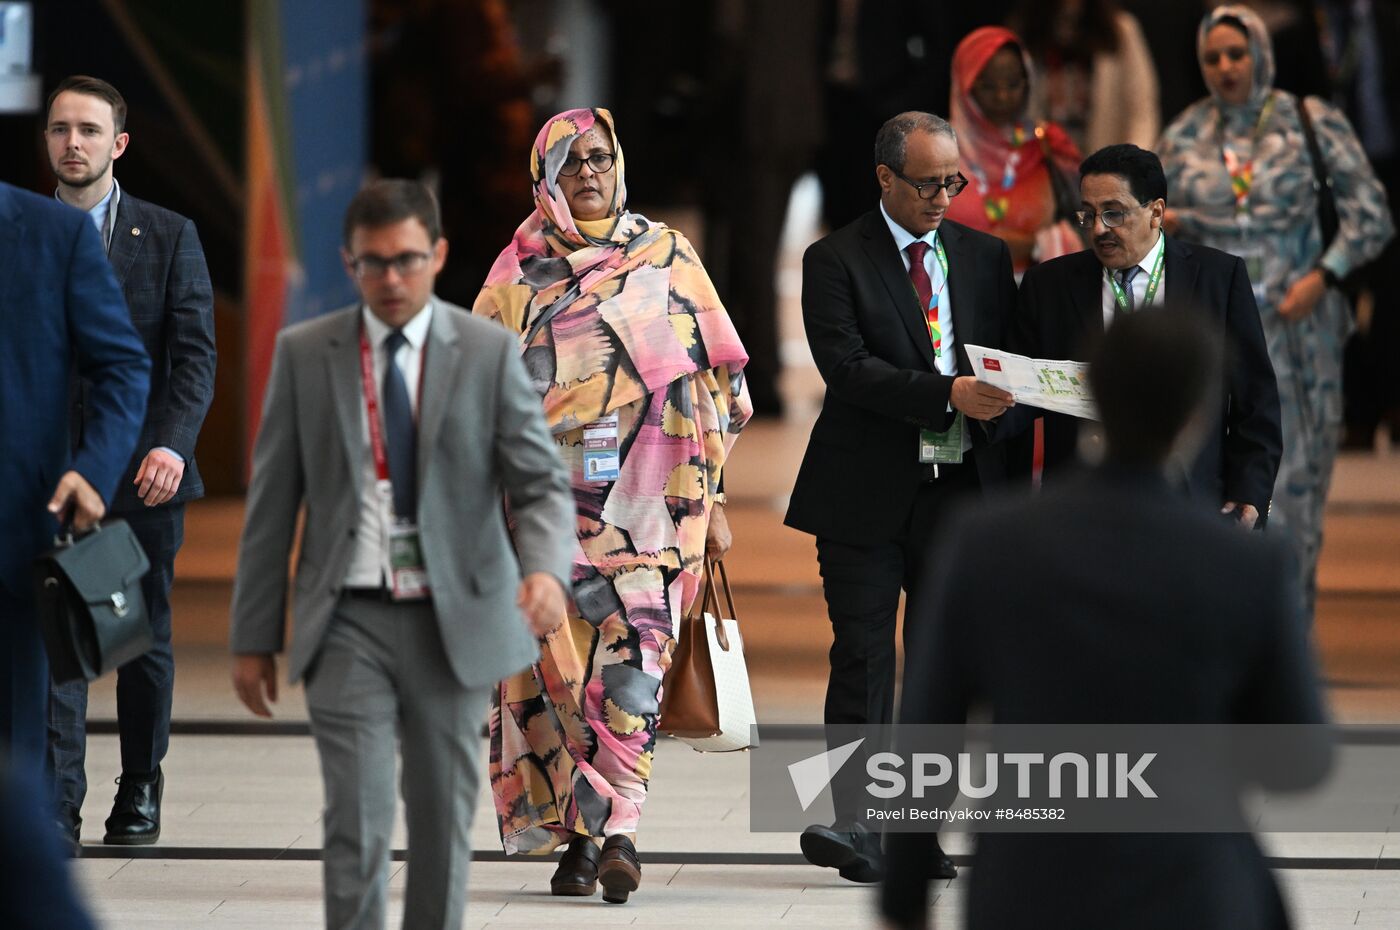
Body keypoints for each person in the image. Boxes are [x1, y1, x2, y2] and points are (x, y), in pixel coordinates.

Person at [881, 310, 1333, 930]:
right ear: (1197, 416)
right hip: (1195, 885)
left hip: (1030, 883)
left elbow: (928, 728)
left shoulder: (987, 542)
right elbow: (1299, 760)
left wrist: (903, 890)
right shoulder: (1246, 563)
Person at [229, 179, 573, 930]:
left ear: (438, 255)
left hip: (455, 620)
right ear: (349, 263)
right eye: (373, 263)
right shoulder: (305, 354)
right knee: (356, 820)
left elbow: (540, 483)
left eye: (408, 260)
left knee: (441, 825)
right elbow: (272, 506)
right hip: (347, 618)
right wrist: (253, 636)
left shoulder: (484, 352)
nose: (391, 279)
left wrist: (544, 568)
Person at [473, 107, 752, 906]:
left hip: (657, 508)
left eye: (598, 157)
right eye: (570, 164)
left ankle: (617, 829)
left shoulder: (666, 255)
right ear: (546, 181)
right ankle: (586, 838)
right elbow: (476, 397)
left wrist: (718, 495)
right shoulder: (513, 272)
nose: (588, 172)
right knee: (563, 678)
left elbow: (718, 381)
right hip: (545, 511)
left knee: (632, 672)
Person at [784, 111, 1018, 884]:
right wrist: (946, 393)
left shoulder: (984, 258)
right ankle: (855, 824)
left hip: (958, 494)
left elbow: (1005, 357)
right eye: (927, 183)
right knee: (862, 654)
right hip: (863, 492)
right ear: (885, 178)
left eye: (953, 181)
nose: (944, 197)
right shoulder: (834, 259)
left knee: (940, 665)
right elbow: (845, 369)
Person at [1158, 5, 1395, 617]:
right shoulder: (1184, 133)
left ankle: (1284, 646)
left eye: (1237, 53)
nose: (1226, 67)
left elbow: (1373, 214)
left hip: (1296, 331)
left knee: (1292, 495)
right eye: (1213, 57)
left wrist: (1326, 275)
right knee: (1210, 488)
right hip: (1213, 337)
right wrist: (1170, 225)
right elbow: (1147, 221)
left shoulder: (1309, 120)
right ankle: (1221, 649)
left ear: (1260, 52)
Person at [43, 75, 217, 851]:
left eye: (87, 130)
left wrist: (172, 443)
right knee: (58, 634)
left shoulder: (169, 233)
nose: (71, 143)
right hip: (47, 474)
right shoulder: (19, 232)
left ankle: (140, 785)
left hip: (144, 475)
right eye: (58, 129)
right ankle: (56, 802)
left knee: (139, 638)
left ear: (117, 144)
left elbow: (193, 359)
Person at [1014, 143, 1282, 525]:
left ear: (1156, 212)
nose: (1099, 229)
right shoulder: (1049, 286)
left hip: (1192, 503)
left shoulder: (1219, 278)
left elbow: (1255, 401)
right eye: (1088, 215)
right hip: (1078, 505)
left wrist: (1250, 494)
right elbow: (1018, 402)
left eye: (1113, 213)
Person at [0, 180, 149, 779]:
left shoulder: (52, 234)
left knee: (15, 751)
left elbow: (122, 364)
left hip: (15, 529)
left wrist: (92, 470)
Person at [945, 26, 1085, 277]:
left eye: (1013, 84)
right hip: (953, 295)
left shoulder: (1048, 144)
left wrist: (1036, 245)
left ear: (1029, 80)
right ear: (963, 85)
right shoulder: (937, 149)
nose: (1003, 96)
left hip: (1035, 293)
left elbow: (1088, 218)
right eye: (988, 86)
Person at [1010, 0, 1160, 154]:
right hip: (1043, 165)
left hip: (1108, 167)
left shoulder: (1120, 30)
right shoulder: (1025, 30)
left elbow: (1142, 113)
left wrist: (1129, 165)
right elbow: (1014, 115)